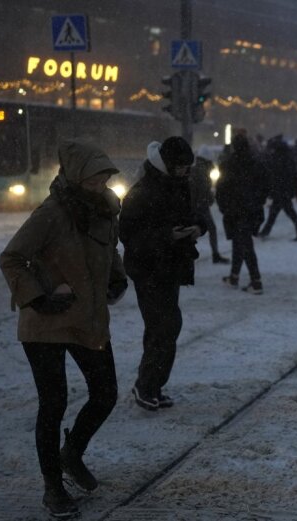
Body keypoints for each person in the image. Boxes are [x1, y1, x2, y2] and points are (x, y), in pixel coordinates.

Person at [0, 141, 127, 518]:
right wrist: (37, 299)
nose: (100, 184)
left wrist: (117, 279)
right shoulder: (52, 213)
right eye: (93, 178)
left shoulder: (106, 209)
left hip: (86, 318)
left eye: (104, 177)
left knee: (105, 393)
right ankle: (53, 488)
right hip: (45, 323)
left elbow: (110, 251)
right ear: (75, 178)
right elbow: (12, 258)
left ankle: (71, 454)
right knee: (52, 404)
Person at [120, 137, 208, 411]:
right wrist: (166, 236)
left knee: (165, 327)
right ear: (168, 164)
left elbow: (195, 213)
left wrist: (197, 227)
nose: (185, 171)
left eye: (187, 167)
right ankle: (146, 385)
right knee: (164, 327)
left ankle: (153, 385)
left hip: (170, 265)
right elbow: (128, 235)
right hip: (149, 269)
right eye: (181, 167)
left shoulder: (178, 184)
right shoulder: (143, 190)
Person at [217, 134, 269, 294]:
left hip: (235, 210)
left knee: (244, 244)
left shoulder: (228, 165)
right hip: (251, 210)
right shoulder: (256, 163)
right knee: (241, 243)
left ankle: (256, 281)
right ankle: (234, 277)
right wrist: (258, 202)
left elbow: (221, 189)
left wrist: (224, 206)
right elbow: (265, 186)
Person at [259, 135, 297, 241]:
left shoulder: (279, 159)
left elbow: (276, 174)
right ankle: (265, 231)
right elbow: (292, 175)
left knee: (287, 213)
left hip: (281, 191)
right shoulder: (287, 158)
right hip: (284, 191)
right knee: (275, 213)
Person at [191, 150, 228, 264]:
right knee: (208, 229)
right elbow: (204, 191)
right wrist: (210, 199)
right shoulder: (203, 172)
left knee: (193, 232)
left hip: (195, 206)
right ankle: (215, 254)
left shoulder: (195, 170)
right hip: (201, 207)